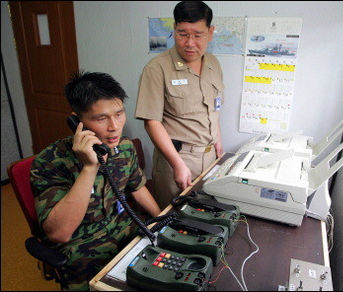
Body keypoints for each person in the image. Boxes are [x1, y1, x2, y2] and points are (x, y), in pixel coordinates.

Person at [30, 71, 161, 291]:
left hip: (126, 230)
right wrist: (90, 167)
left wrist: (161, 223)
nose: (114, 126)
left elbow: (137, 187)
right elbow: (60, 233)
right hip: (81, 250)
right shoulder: (50, 162)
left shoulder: (125, 147)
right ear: (76, 121)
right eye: (101, 118)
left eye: (119, 114)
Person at [135, 1, 225, 210]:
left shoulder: (213, 63)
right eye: (183, 34)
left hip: (210, 157)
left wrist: (218, 141)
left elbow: (214, 109)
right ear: (174, 30)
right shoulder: (157, 68)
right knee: (173, 222)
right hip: (177, 160)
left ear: (210, 32)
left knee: (204, 218)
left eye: (198, 35)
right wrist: (177, 164)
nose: (190, 43)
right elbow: (151, 122)